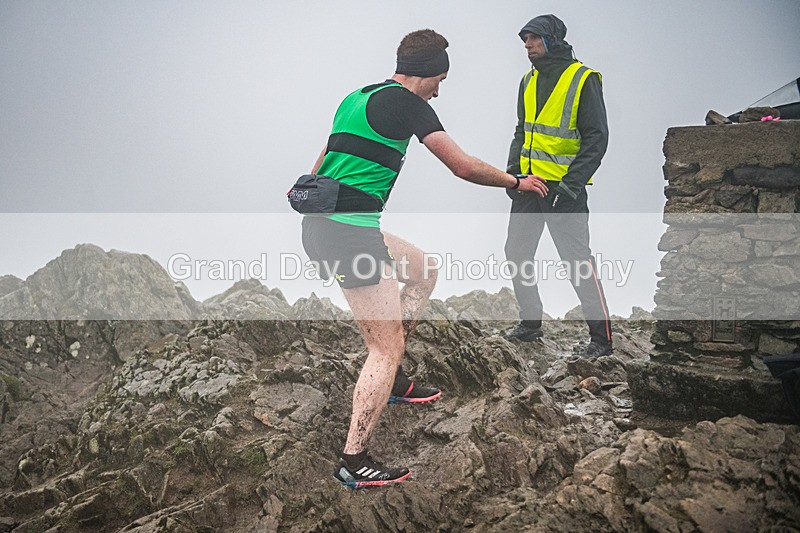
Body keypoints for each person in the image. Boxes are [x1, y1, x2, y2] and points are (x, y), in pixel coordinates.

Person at [298, 29, 548, 488]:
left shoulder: (357, 96)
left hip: (329, 224)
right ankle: (354, 461)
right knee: (383, 348)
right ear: (428, 72)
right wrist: (516, 182)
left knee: (423, 269)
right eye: (440, 81)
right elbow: (462, 165)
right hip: (349, 234)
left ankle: (392, 381)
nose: (439, 91)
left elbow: (322, 162)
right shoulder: (409, 103)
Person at [503, 14, 613, 358]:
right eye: (525, 39)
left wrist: (570, 185)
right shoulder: (527, 80)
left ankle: (602, 340)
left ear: (552, 40)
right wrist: (513, 174)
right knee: (516, 252)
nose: (527, 44)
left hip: (564, 190)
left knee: (577, 262)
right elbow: (522, 131)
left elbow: (597, 138)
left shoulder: (583, 79)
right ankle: (530, 324)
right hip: (528, 185)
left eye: (533, 38)